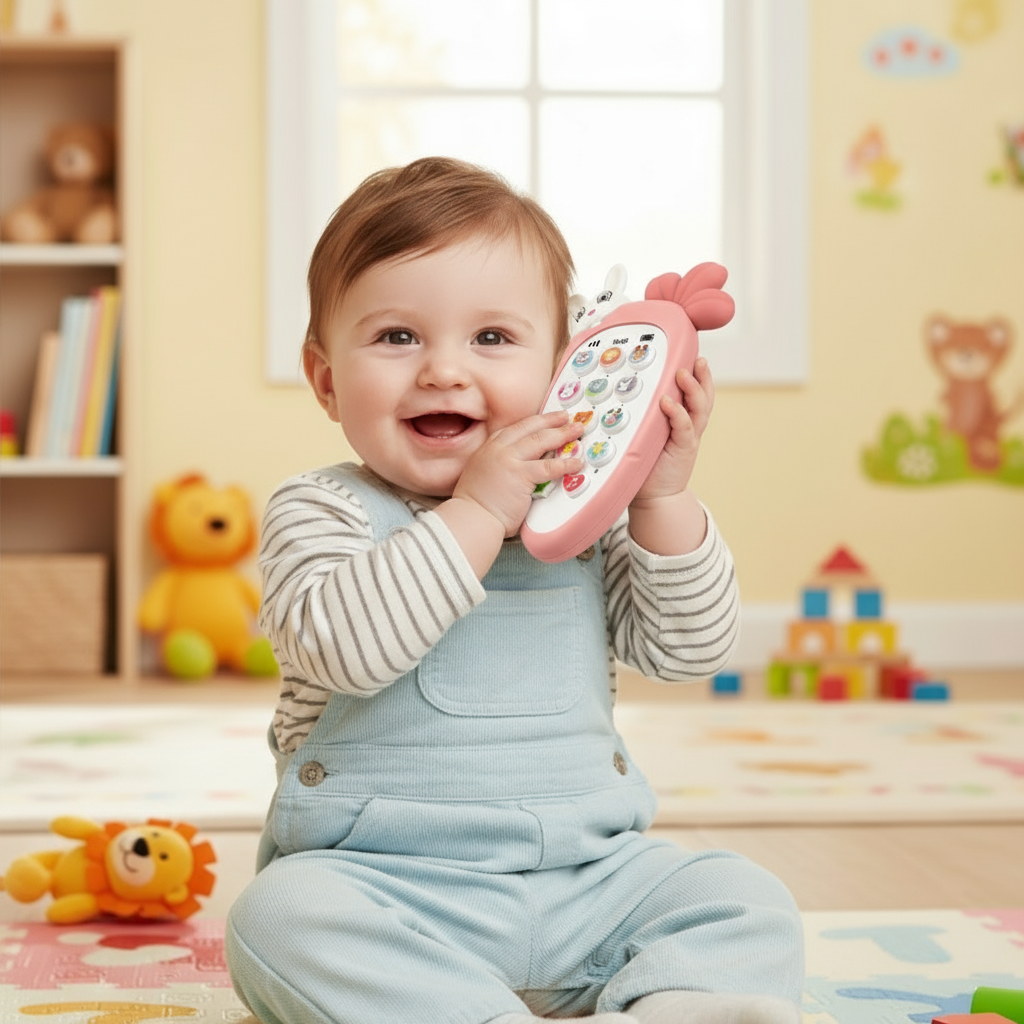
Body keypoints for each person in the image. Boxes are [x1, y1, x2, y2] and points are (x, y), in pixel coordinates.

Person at [226, 157, 803, 1024]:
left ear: (562, 370)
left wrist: (659, 498)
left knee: (744, 895)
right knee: (277, 918)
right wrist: (477, 512)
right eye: (397, 337)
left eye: (492, 338)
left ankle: (672, 1003)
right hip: (387, 888)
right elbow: (345, 652)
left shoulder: (582, 512)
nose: (444, 371)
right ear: (326, 380)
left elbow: (688, 650)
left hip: (591, 884)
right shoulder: (321, 509)